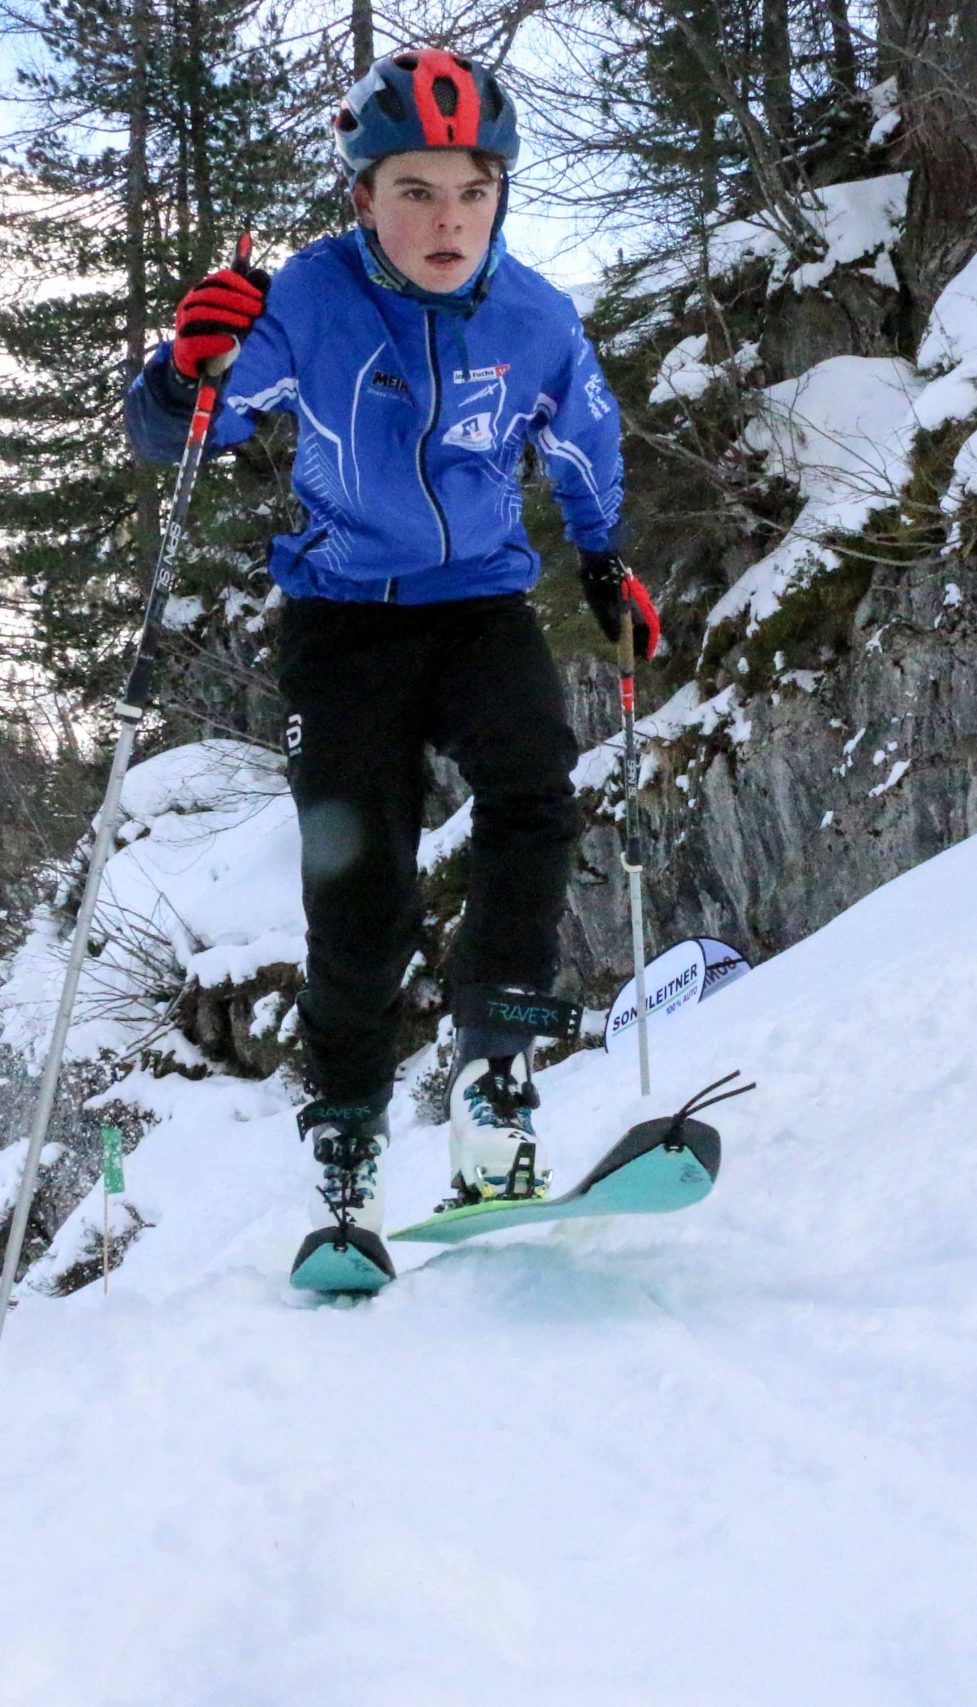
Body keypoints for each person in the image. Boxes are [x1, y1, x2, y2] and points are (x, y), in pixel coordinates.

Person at [123, 48, 660, 1245]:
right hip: (343, 619)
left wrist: (601, 555)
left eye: (473, 192)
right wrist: (184, 368)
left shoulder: (533, 315)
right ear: (363, 195)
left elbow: (579, 436)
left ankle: (495, 1075)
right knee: (359, 888)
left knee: (533, 787)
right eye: (415, 190)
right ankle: (348, 1133)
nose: (448, 220)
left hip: (479, 602)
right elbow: (191, 428)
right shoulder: (308, 299)